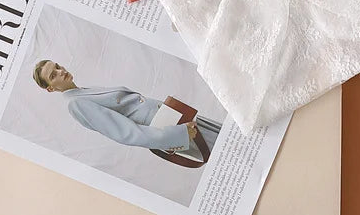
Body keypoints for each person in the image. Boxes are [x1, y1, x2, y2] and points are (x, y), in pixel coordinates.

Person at [32, 59, 222, 163]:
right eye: (53, 75)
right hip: (170, 129)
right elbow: (126, 133)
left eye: (57, 66)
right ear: (50, 88)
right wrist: (178, 134)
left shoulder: (81, 93)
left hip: (174, 117)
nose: (60, 71)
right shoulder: (76, 104)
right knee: (226, 153)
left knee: (227, 142)